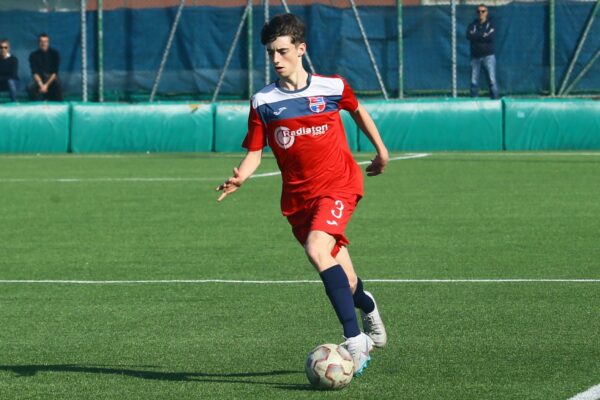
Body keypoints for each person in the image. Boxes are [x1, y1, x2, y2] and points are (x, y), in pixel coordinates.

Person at [216, 13, 389, 376]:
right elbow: (254, 152)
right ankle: (367, 305)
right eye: (270, 53)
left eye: (282, 51)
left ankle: (354, 339)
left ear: (301, 49)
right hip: (298, 201)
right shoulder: (263, 101)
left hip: (340, 185)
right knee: (348, 280)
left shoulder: (332, 87)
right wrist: (241, 178)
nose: (276, 59)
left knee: (316, 249)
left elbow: (359, 113)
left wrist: (381, 150)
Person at [466, 4, 499, 99]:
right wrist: (483, 35)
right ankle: (474, 101)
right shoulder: (472, 25)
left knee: (492, 80)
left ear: (486, 13)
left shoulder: (491, 25)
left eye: (483, 11)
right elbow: (469, 36)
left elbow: (490, 37)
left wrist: (476, 36)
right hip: (475, 57)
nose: (481, 13)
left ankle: (495, 100)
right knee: (473, 80)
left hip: (488, 56)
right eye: (479, 11)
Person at [27, 33, 63, 101]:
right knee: (30, 87)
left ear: (48, 43)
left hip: (51, 78)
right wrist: (41, 85)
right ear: (38, 43)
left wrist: (46, 85)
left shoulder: (54, 54)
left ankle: (57, 105)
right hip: (39, 79)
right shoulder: (33, 55)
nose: (43, 43)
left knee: (58, 84)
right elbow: (34, 73)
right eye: (41, 41)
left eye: (45, 41)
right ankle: (38, 105)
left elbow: (55, 73)